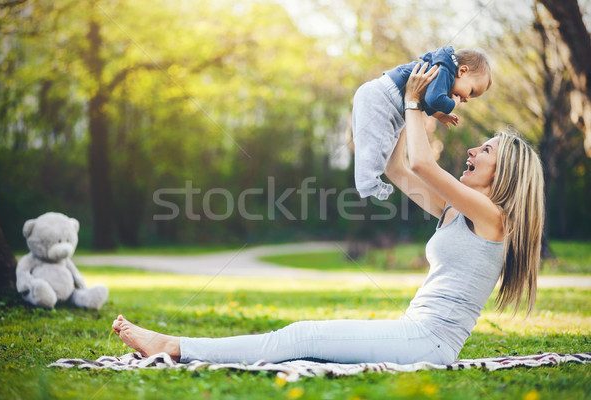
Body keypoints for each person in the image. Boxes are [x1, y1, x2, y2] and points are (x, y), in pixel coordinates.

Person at [112, 63, 544, 366]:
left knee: (303, 336)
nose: (471, 150)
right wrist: (398, 108)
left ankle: (174, 347)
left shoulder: (493, 217)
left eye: (484, 150)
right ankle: (177, 346)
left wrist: (415, 104)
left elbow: (422, 165)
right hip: (414, 333)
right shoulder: (457, 210)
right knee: (302, 337)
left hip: (428, 344)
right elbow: (397, 168)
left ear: (504, 170)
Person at [353, 46, 492, 200]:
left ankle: (369, 182)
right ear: (462, 71)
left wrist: (440, 115)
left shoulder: (442, 73)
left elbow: (426, 100)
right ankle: (368, 185)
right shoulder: (445, 70)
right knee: (377, 144)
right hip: (382, 99)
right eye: (471, 91)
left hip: (383, 100)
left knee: (380, 144)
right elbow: (434, 99)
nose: (466, 99)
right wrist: (452, 105)